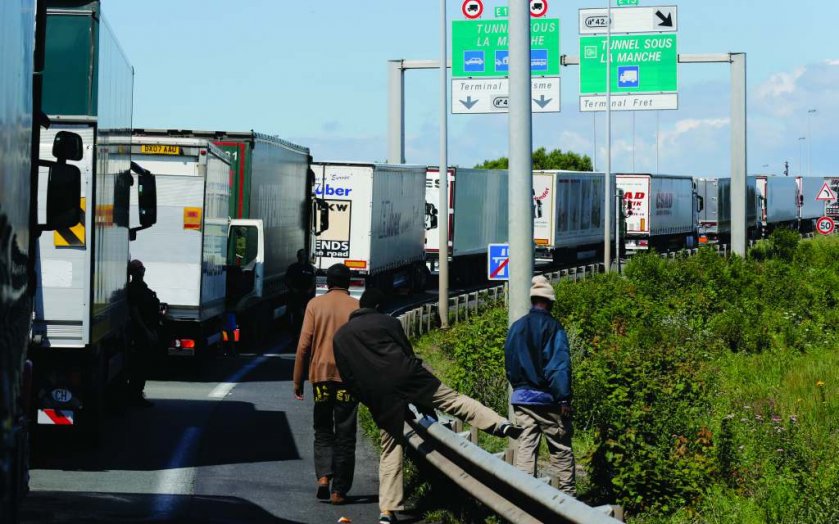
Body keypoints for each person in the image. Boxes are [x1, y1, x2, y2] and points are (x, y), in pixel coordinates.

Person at [332, 289, 524, 524]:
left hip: (377, 392)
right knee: (452, 400)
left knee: (391, 446)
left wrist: (370, 398)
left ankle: (388, 511)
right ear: (379, 305)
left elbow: (348, 378)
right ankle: (499, 424)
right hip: (409, 376)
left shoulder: (340, 336)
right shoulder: (387, 322)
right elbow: (407, 352)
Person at [292, 263, 359, 505]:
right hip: (348, 380)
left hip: (320, 377)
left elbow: (303, 346)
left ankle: (323, 477)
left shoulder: (314, 305)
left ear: (327, 283)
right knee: (345, 433)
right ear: (348, 282)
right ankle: (339, 491)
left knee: (322, 429)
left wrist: (298, 379)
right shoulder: (356, 307)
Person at [504, 275, 575, 496]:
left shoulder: (516, 327)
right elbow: (558, 365)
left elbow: (510, 362)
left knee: (526, 447)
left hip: (522, 398)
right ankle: (567, 499)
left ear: (532, 300)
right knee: (560, 448)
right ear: (550, 302)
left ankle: (525, 498)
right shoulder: (554, 327)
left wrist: (519, 388)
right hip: (547, 400)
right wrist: (563, 398)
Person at [126, 259, 161, 408]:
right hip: (140, 333)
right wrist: (146, 331)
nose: (142, 271)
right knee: (139, 366)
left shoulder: (141, 288)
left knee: (143, 365)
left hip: (147, 330)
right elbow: (135, 312)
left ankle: (136, 394)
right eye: (140, 269)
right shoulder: (134, 289)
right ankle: (135, 396)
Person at [285, 249, 316, 342]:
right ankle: (295, 335)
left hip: (307, 295)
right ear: (298, 256)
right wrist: (292, 289)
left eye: (304, 255)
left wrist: (310, 289)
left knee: (306, 315)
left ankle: (306, 334)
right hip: (295, 295)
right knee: (296, 316)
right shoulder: (293, 267)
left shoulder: (309, 268)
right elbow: (287, 280)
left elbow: (313, 280)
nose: (302, 256)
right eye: (301, 255)